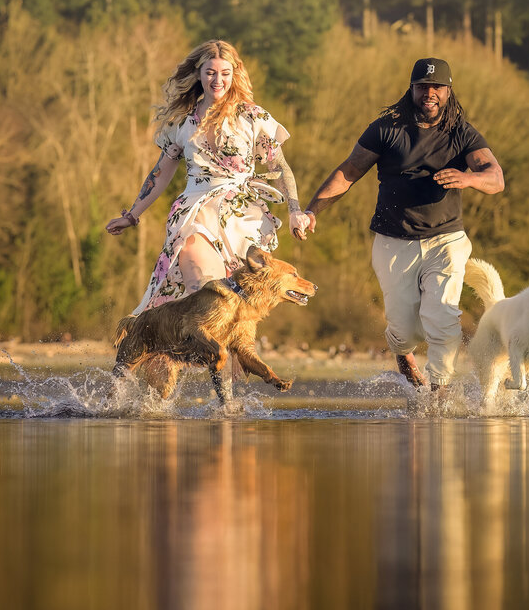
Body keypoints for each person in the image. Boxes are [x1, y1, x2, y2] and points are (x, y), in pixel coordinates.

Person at [301, 57, 504, 391]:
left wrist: (469, 179)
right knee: (404, 328)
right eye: (422, 86)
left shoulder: (462, 134)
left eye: (437, 87)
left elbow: (496, 178)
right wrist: (312, 212)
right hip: (394, 239)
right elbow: (349, 171)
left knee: (442, 317)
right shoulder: (386, 129)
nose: (429, 93)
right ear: (412, 88)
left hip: (446, 239)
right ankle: (402, 352)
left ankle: (437, 391)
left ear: (448, 91)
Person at [105, 39, 312, 319]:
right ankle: (193, 349)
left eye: (225, 73)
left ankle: (231, 362)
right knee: (204, 291)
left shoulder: (253, 117)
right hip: (195, 214)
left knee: (242, 309)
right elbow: (160, 173)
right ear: (199, 74)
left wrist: (295, 211)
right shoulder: (181, 120)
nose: (218, 80)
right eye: (211, 72)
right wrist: (132, 215)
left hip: (244, 219)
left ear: (234, 73)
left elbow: (280, 168)